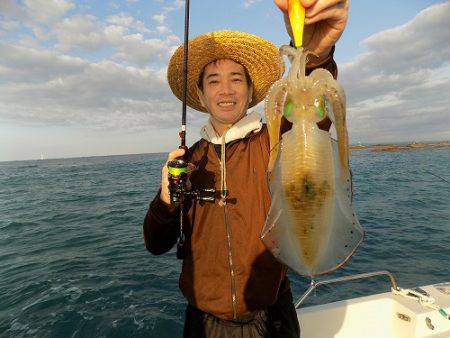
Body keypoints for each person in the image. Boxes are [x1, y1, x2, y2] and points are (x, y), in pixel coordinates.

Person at [143, 0, 349, 337]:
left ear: (251, 90)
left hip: (272, 317)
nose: (225, 90)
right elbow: (155, 243)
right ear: (200, 93)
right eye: (213, 81)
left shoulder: (275, 142)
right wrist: (166, 202)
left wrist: (316, 55)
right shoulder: (188, 161)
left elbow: (313, 112)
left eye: (236, 79)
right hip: (204, 323)